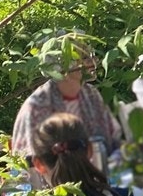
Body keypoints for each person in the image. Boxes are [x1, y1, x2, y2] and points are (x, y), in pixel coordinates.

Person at [12, 40, 126, 187]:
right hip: (56, 191)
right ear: (62, 67)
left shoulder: (91, 94)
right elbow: (26, 167)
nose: (94, 61)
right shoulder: (37, 106)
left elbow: (112, 139)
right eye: (85, 58)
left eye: (91, 55)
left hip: (98, 180)